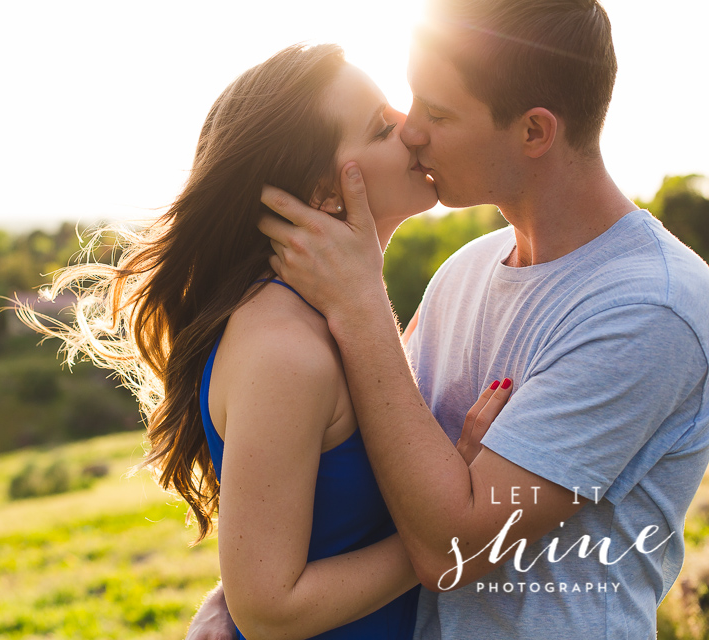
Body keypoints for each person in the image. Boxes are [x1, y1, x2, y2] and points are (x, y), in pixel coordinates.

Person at [188, 1, 709, 638]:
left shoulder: (650, 308)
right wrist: (241, 587)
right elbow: (353, 461)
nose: (412, 132)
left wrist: (360, 303)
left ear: (534, 132)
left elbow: (450, 547)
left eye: (435, 113)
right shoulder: (468, 269)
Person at [17, 43, 511, 639]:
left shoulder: (339, 320)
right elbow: (268, 609)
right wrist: (439, 537)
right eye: (382, 128)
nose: (411, 130)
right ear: (324, 191)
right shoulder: (286, 350)